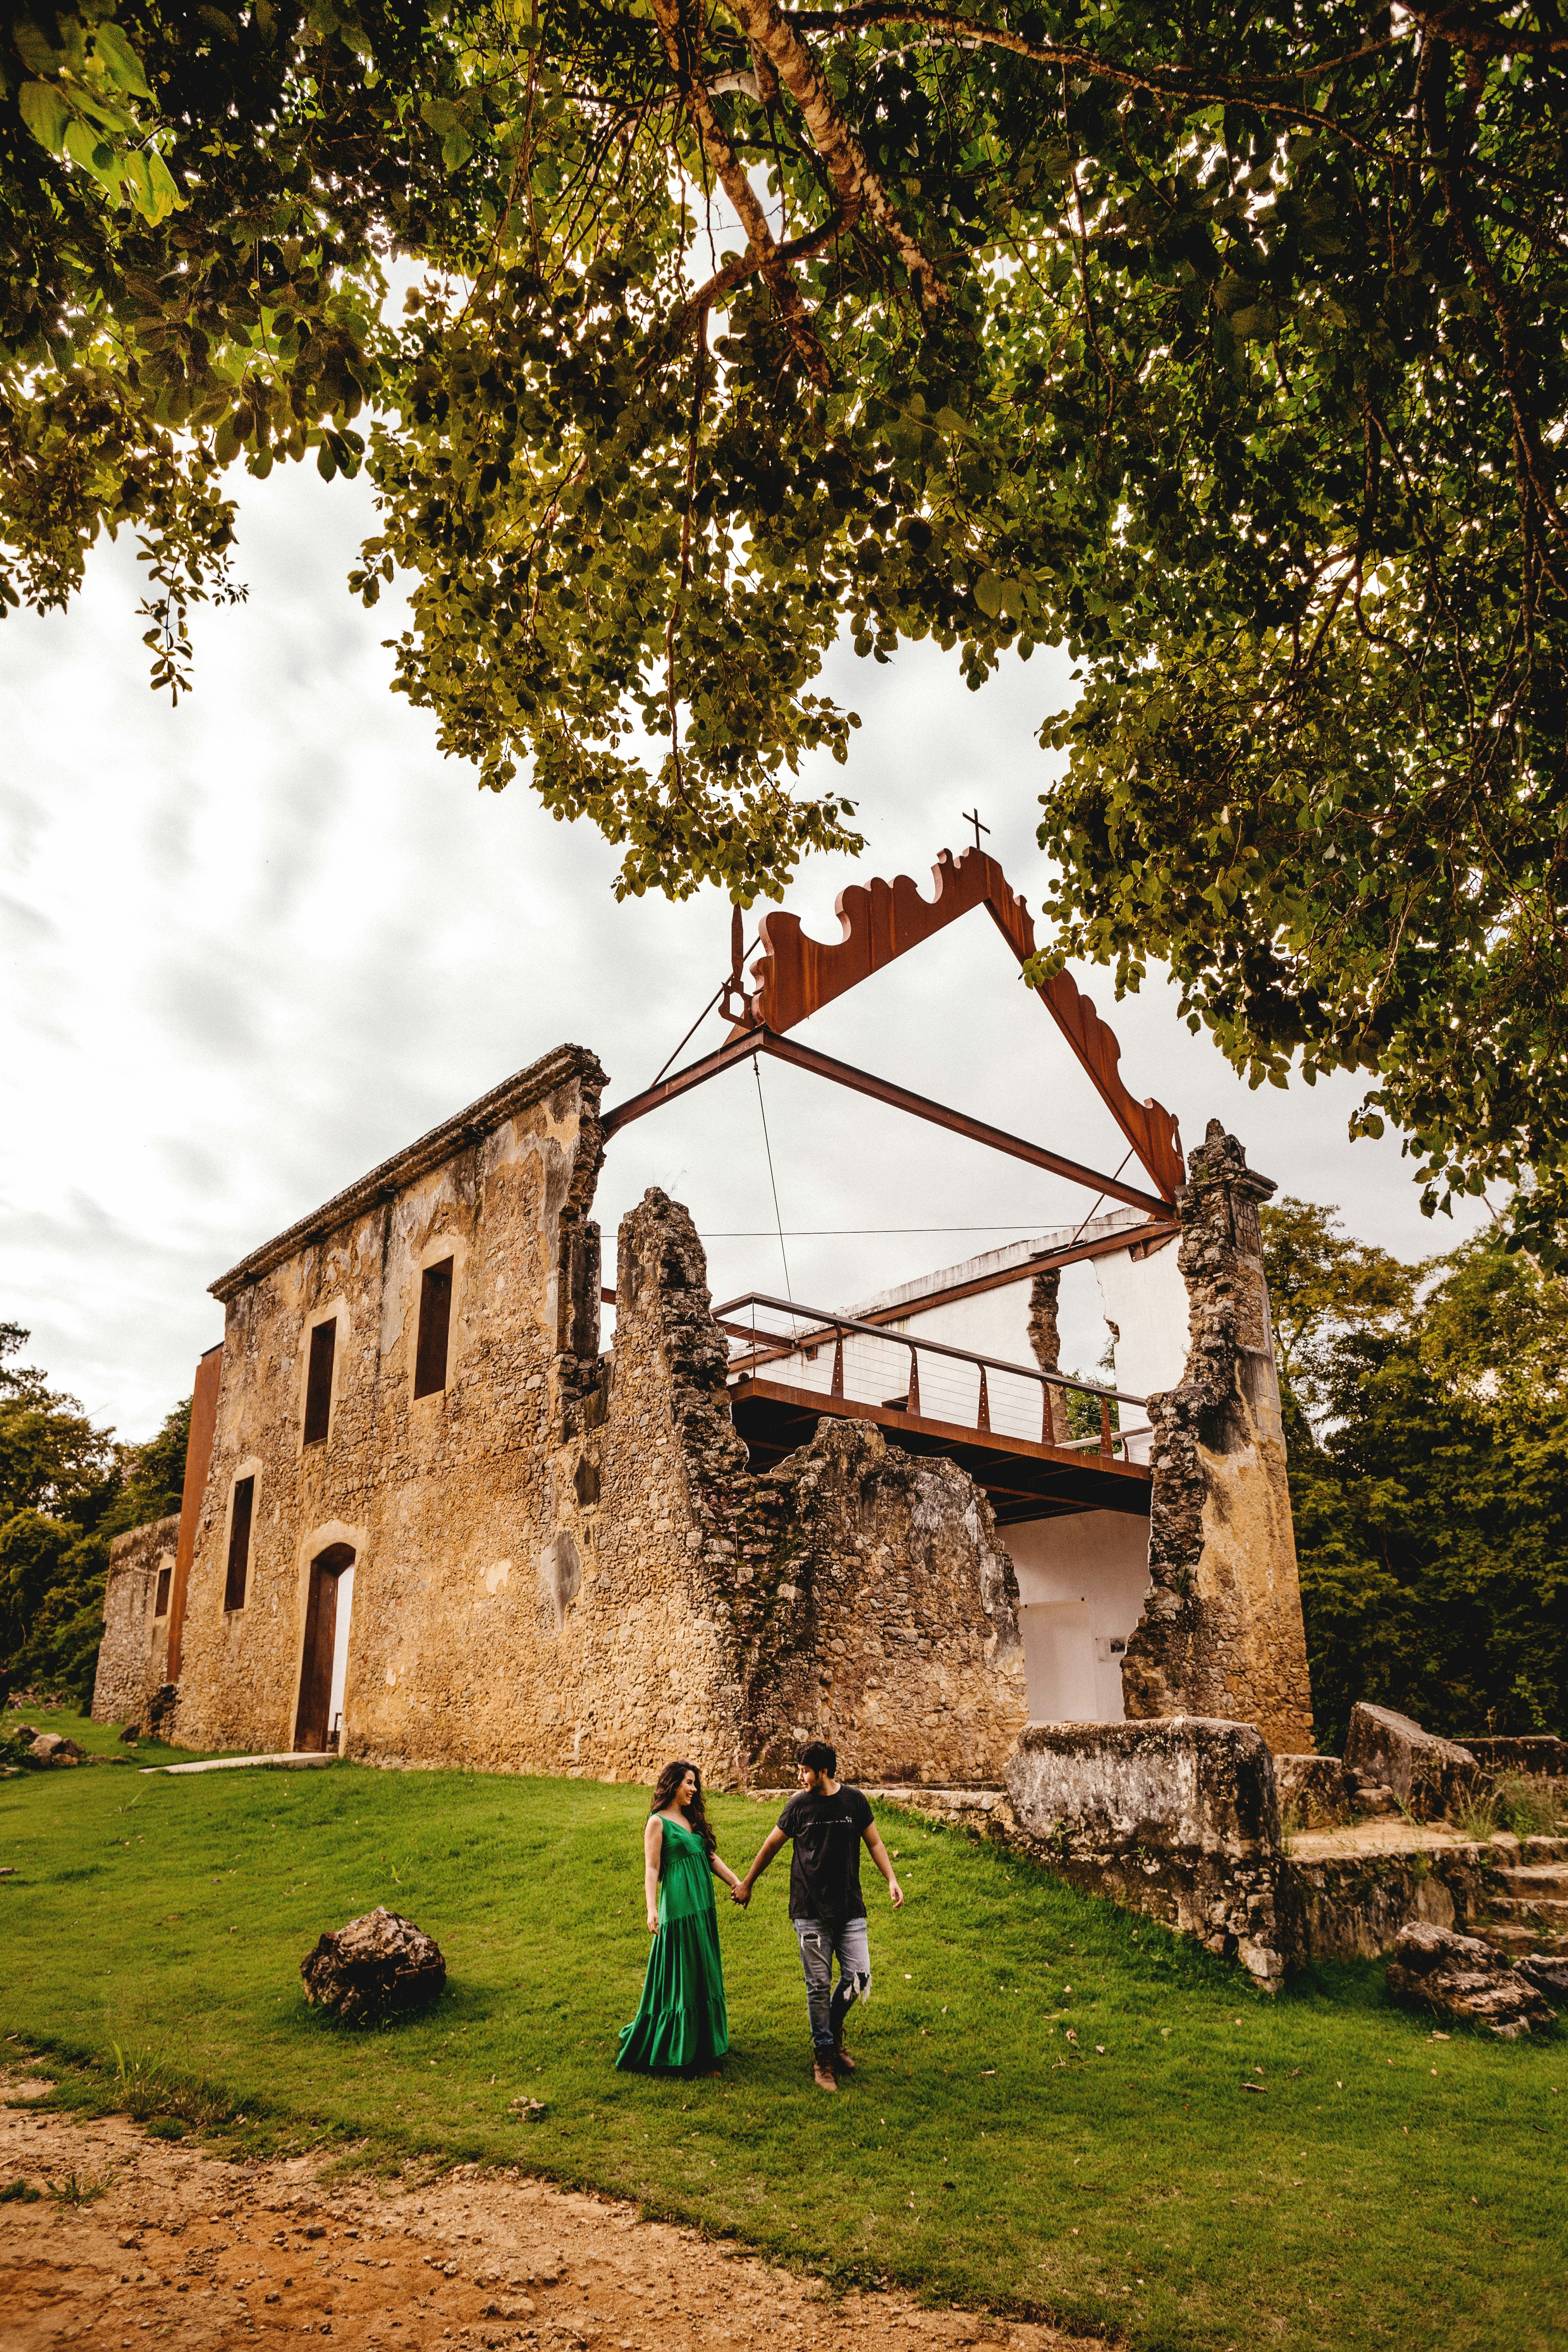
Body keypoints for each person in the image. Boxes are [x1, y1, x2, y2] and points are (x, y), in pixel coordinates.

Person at [735, 1739, 903, 2092]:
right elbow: (771, 1846)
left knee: (859, 1975)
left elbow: (874, 1842)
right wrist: (748, 1882)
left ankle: (832, 2030)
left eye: (805, 1770)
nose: (800, 1776)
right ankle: (824, 2057)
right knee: (818, 1986)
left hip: (849, 1908)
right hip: (809, 1910)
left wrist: (891, 1879)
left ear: (823, 1771)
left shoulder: (854, 1801)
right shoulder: (798, 1806)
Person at [616, 1759, 746, 2075]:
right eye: (689, 1783)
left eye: (695, 1783)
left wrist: (737, 1884)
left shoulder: (692, 1819)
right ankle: (687, 2054)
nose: (694, 1789)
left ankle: (705, 2046)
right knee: (685, 1977)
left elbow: (710, 1857)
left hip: (702, 1908)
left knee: (704, 1972)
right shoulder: (657, 1823)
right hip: (679, 1908)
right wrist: (652, 1909)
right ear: (673, 1784)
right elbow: (652, 1868)